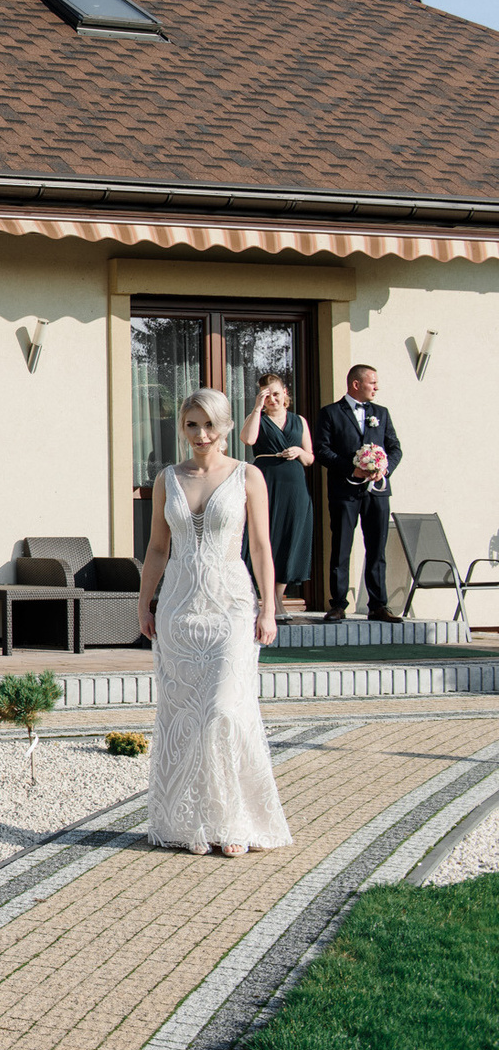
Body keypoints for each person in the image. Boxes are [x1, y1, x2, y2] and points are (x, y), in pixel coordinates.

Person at [138, 388, 293, 857]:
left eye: (209, 425)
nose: (201, 434)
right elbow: (158, 548)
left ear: (226, 427)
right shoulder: (168, 478)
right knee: (185, 716)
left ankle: (234, 821)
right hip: (179, 609)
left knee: (225, 711)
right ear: (182, 428)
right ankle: (191, 824)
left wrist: (269, 608)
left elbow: (261, 547)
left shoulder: (248, 476)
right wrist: (145, 604)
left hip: (231, 607)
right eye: (192, 424)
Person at [312, 364, 403, 622]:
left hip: (377, 492)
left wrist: (384, 469)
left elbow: (395, 448)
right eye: (372, 382)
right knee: (341, 546)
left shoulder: (381, 413)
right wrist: (352, 469)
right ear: (356, 384)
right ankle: (338, 604)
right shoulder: (330, 413)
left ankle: (378, 605)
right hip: (345, 491)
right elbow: (322, 450)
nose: (377, 387)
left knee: (377, 548)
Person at [239, 373, 314, 621]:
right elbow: (248, 439)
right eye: (267, 395)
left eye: (276, 394)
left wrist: (299, 451)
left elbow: (310, 458)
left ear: (285, 393)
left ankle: (278, 599)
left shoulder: (299, 421)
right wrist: (257, 408)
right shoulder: (257, 418)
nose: (273, 399)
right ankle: (266, 600)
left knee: (289, 539)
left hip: (294, 487)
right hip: (266, 482)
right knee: (265, 537)